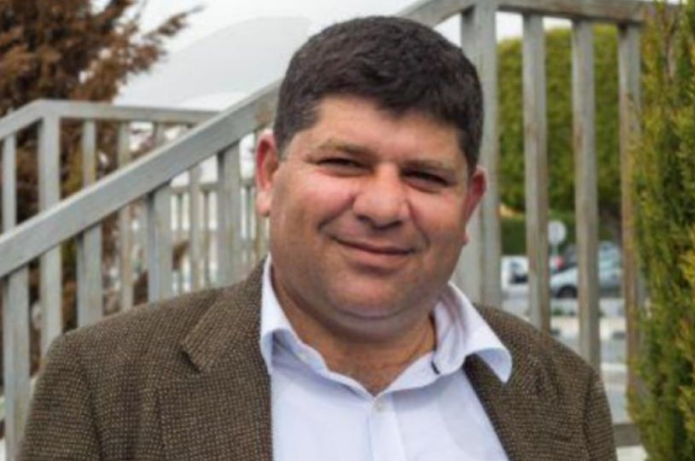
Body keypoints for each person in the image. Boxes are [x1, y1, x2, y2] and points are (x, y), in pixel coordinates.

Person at [20, 16, 616, 460]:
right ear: (268, 174)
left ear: (469, 204)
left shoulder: (564, 391)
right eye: (345, 163)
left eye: (425, 176)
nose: (383, 207)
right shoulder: (105, 384)